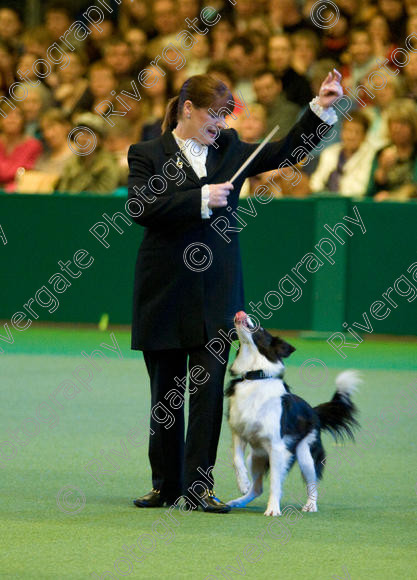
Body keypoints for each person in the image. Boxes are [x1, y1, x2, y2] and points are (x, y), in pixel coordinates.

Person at [127, 71, 343, 513]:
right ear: (188, 108)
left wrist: (321, 108)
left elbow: (288, 150)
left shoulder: (229, 149)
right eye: (214, 114)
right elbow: (140, 207)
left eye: (227, 115)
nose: (221, 123)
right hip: (164, 292)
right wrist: (201, 198)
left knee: (206, 396)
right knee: (165, 394)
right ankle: (166, 485)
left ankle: (198, 488)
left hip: (217, 294)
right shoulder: (146, 153)